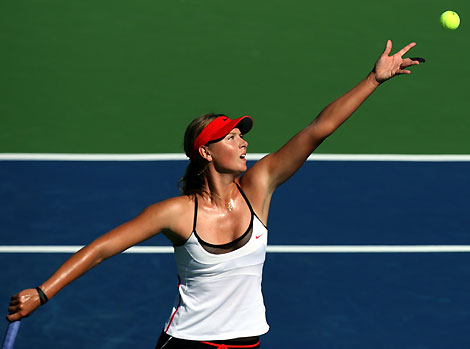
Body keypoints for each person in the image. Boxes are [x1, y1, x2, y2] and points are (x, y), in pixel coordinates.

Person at [6, 40, 423, 348]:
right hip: (189, 343)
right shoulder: (175, 212)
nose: (242, 142)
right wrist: (43, 292)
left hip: (246, 343)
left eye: (242, 134)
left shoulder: (259, 187)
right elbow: (100, 249)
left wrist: (373, 79)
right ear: (206, 151)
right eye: (231, 136)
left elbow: (319, 129)